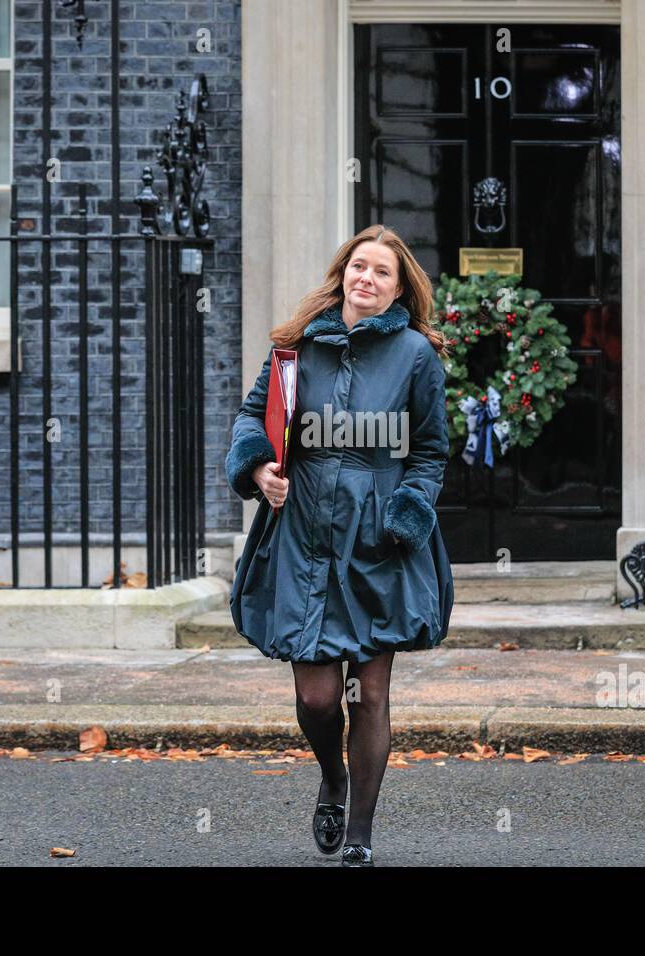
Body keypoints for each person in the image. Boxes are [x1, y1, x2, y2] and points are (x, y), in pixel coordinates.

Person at [224, 224, 454, 866]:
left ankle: (360, 835)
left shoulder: (414, 355)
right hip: (302, 534)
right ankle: (332, 774)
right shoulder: (296, 347)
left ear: (398, 287)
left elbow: (431, 451)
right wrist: (258, 469)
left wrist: (405, 516)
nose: (368, 279)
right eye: (360, 266)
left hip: (380, 540)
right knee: (318, 697)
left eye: (383, 272)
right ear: (343, 273)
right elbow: (252, 417)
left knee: (370, 694)